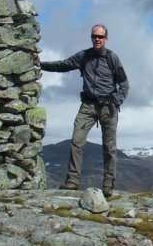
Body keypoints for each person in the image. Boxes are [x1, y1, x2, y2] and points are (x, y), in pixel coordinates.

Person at [40, 24, 129, 196]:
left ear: (106, 39)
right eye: (94, 36)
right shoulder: (84, 56)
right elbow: (63, 65)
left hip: (108, 106)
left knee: (109, 148)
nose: (97, 39)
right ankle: (72, 181)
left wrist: (116, 101)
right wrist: (40, 64)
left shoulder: (112, 58)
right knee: (77, 141)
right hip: (88, 105)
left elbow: (124, 84)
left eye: (100, 37)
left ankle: (108, 186)